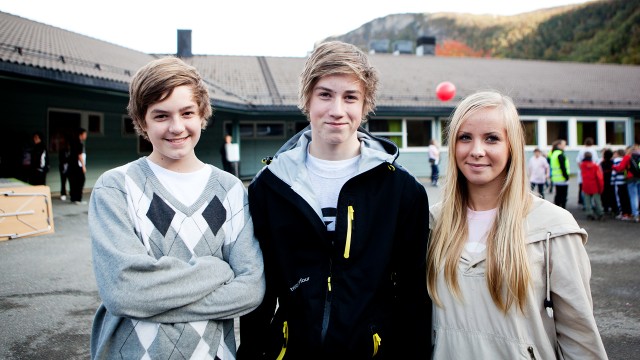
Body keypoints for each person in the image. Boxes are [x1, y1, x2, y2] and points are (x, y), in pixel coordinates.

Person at [238, 41, 431, 359]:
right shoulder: (269, 188)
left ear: (365, 104)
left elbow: (414, 294)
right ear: (307, 99)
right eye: (325, 94)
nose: (337, 110)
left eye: (350, 97)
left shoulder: (401, 190)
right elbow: (259, 291)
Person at [89, 56, 265, 360]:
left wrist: (153, 303)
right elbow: (124, 291)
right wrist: (217, 271)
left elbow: (250, 289)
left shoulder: (230, 190)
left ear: (202, 115)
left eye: (187, 113)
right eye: (161, 116)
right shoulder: (116, 187)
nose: (176, 127)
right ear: (142, 121)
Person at [427, 90, 607, 359]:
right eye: (465, 137)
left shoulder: (553, 226)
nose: (477, 151)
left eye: (492, 138)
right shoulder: (433, 222)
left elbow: (579, 335)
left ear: (511, 147)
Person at [612, 144, 640, 223]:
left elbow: (621, 167)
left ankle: (635, 214)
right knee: (638, 195)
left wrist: (613, 167)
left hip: (630, 178)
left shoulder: (627, 157)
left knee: (633, 196)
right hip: (639, 177)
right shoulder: (639, 156)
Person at [580, 151, 605, 220]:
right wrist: (601, 187)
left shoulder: (582, 165)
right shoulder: (595, 166)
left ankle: (589, 213)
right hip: (594, 185)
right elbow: (599, 178)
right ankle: (600, 213)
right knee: (597, 200)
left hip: (586, 185)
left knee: (587, 201)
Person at [576, 137, 599, 208]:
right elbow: (596, 162)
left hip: (583, 172)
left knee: (583, 188)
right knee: (592, 189)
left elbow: (578, 161)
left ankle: (584, 203)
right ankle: (592, 204)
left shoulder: (581, 150)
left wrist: (582, 169)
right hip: (592, 173)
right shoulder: (593, 151)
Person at [611, 148, 633, 221]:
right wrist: (625, 177)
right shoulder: (626, 159)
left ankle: (623, 213)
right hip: (625, 181)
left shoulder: (616, 160)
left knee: (620, 198)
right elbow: (625, 171)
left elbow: (614, 172)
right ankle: (628, 213)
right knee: (626, 198)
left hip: (618, 182)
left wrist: (612, 181)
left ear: (617, 154)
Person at [68, 127, 87, 204]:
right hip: (78, 165)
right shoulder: (79, 143)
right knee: (81, 180)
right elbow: (79, 156)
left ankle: (73, 198)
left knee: (74, 181)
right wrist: (83, 166)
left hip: (72, 165)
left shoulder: (73, 142)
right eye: (85, 134)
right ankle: (78, 199)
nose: (86, 136)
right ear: (81, 135)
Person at [549, 139, 570, 209]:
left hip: (556, 178)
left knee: (558, 195)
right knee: (563, 196)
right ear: (559, 145)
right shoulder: (560, 154)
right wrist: (566, 176)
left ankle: (557, 209)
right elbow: (562, 167)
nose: (565, 146)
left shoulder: (553, 153)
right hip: (562, 178)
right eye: (564, 145)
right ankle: (563, 209)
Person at [600, 148, 617, 216]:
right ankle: (614, 209)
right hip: (612, 180)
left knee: (604, 194)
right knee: (612, 195)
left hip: (604, 180)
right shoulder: (613, 162)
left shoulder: (602, 163)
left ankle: (605, 207)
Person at [58, 136, 71, 200]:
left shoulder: (71, 150)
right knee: (63, 181)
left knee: (71, 181)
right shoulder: (62, 150)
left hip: (70, 168)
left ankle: (72, 193)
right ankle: (63, 193)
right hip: (63, 168)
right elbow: (61, 159)